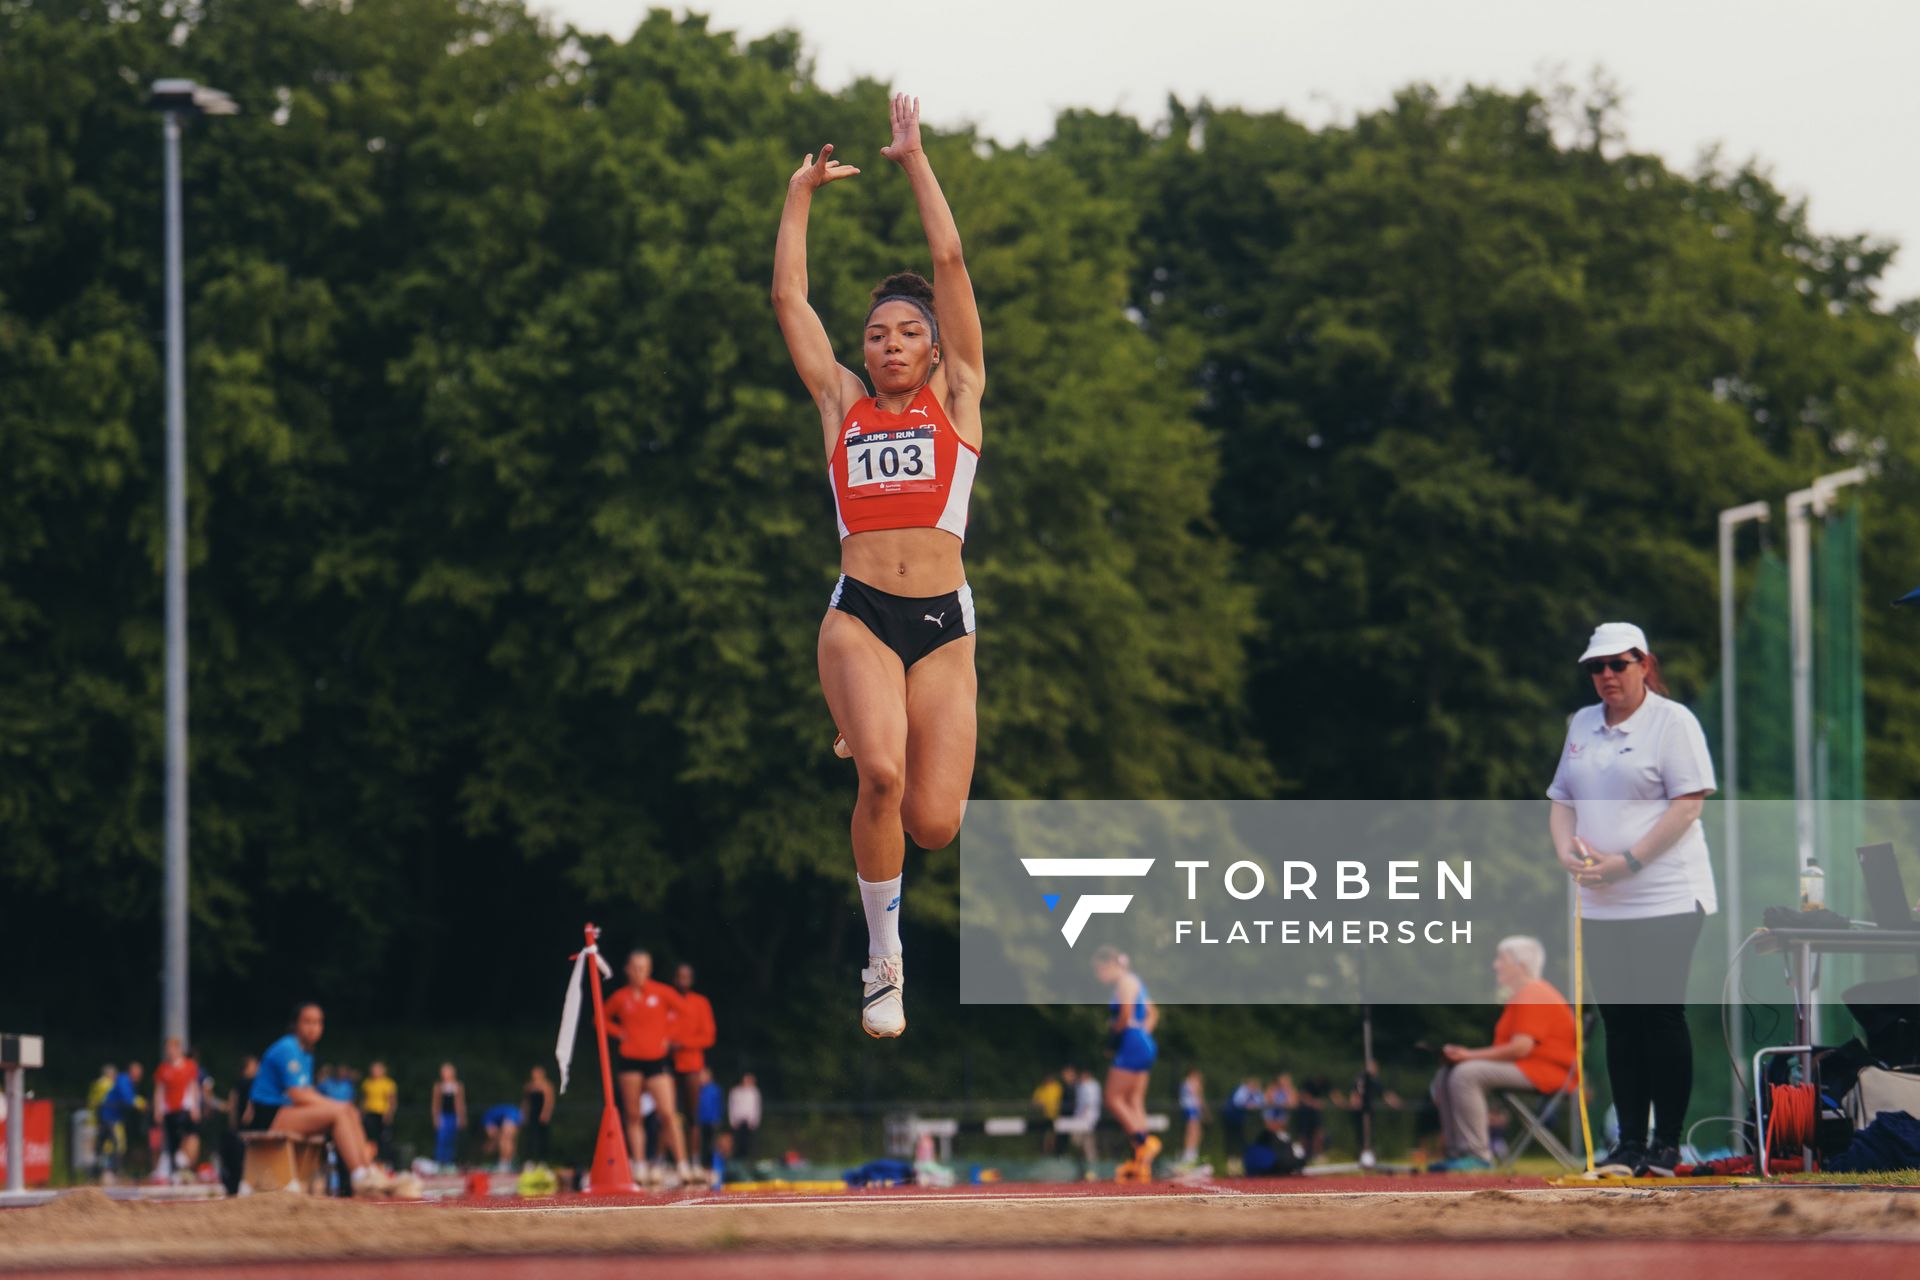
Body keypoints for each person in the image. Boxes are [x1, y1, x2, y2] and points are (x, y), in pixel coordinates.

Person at [772, 93, 987, 1038]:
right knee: (884, 784)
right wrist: (798, 196)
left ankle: (874, 728)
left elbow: (948, 263)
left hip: (943, 629)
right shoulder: (842, 408)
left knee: (937, 823)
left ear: (935, 347)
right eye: (876, 335)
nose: (889, 346)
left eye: (906, 334)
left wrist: (913, 161)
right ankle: (883, 960)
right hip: (859, 611)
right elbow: (789, 300)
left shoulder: (960, 399)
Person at [1548, 621, 1716, 1177]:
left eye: (1617, 664)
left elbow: (1688, 805)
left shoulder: (1673, 722)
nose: (1605, 676)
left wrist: (1630, 862)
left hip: (1666, 892)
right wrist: (1567, 856)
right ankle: (1630, 1146)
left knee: (1659, 1015)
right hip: (1601, 899)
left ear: (1644, 663)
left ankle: (1667, 1145)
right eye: (1596, 667)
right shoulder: (1581, 724)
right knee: (1619, 1021)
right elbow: (1562, 800)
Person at [1427, 936, 1577, 1171]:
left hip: (1547, 1073)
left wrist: (1468, 1055)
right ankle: (1457, 1153)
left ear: (1522, 966)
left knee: (1466, 1073)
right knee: (1449, 1071)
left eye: (1501, 960)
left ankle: (1477, 1155)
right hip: (1529, 1068)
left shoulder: (1533, 993)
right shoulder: (1522, 995)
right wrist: (1465, 1056)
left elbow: (1521, 1048)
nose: (1495, 965)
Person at [246, 1003, 408, 1196]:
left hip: (286, 1111)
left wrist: (342, 1106)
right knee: (339, 1112)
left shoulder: (305, 1052)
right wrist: (336, 1106)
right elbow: (298, 1094)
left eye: (318, 1022)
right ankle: (358, 1176)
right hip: (268, 1115)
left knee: (347, 1110)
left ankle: (368, 1170)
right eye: (307, 1021)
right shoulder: (287, 1048)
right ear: (295, 1024)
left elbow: (307, 1092)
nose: (313, 1027)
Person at [604, 950, 694, 1185]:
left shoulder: (662, 992)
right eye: (634, 967)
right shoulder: (621, 997)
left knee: (668, 1113)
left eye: (642, 967)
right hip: (630, 1061)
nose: (638, 972)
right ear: (627, 970)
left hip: (656, 1059)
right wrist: (619, 1033)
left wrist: (669, 1036)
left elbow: (685, 1013)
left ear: (649, 970)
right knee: (633, 1115)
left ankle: (682, 1164)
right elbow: (601, 1018)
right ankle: (640, 1164)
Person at [1093, 946, 1160, 1181]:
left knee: (1112, 1098)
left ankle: (1144, 1143)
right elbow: (1153, 1013)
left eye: (1099, 970)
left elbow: (1125, 1014)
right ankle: (1142, 1162)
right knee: (1134, 1100)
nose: (1099, 976)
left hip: (1132, 1041)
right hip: (1142, 1042)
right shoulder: (1134, 981)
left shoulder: (1124, 982)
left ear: (1109, 965)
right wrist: (1144, 1035)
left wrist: (1113, 1038)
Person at [670, 963, 717, 1163]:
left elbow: (708, 1037)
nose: (683, 980)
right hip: (667, 1064)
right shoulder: (666, 1000)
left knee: (692, 1115)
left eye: (687, 977)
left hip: (691, 1065)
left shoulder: (700, 1003)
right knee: (667, 1114)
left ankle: (694, 1159)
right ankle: (663, 1160)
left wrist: (683, 1044)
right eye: (680, 976)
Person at [152, 1037, 202, 1182]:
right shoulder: (163, 1069)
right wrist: (158, 1109)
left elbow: (193, 1086)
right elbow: (159, 1090)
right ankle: (175, 1170)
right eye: (168, 1048)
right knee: (172, 1141)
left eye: (173, 1048)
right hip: (169, 1110)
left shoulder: (189, 1066)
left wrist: (195, 1107)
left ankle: (186, 1162)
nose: (170, 1051)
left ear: (179, 1049)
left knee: (190, 1136)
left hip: (185, 1108)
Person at [219, 1055, 259, 1196]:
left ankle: (237, 1185)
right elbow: (247, 1102)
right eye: (254, 1065)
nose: (257, 1067)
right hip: (248, 1128)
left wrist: (233, 1124)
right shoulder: (252, 1083)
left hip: (239, 1129)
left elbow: (232, 1104)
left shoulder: (237, 1083)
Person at [1065, 1064, 1102, 1176]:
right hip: (1083, 1120)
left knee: (1087, 1146)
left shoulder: (1090, 1086)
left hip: (1085, 1120)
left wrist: (1084, 1117)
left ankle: (1091, 1170)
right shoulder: (1086, 1085)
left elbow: (1088, 1103)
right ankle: (1085, 1169)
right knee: (1079, 1144)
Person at [431, 1063, 466, 1169]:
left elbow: (461, 1103)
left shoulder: (458, 1085)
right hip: (443, 1115)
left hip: (453, 1115)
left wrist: (462, 1117)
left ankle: (450, 1162)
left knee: (451, 1139)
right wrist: (435, 1118)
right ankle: (439, 1162)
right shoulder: (438, 1086)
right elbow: (435, 1103)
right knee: (442, 1139)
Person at [360, 1062, 397, 1165]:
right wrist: (362, 1113)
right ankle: (371, 1159)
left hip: (382, 1114)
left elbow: (392, 1101)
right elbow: (364, 1099)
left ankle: (385, 1160)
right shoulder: (367, 1083)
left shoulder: (388, 1083)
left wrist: (389, 1114)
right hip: (370, 1113)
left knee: (384, 1139)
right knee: (370, 1139)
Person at [521, 1066, 555, 1165]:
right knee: (530, 1137)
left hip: (542, 1114)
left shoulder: (547, 1085)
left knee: (543, 1137)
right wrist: (524, 1113)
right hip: (532, 1113)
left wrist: (545, 1113)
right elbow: (526, 1101)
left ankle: (543, 1161)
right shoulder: (529, 1086)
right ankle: (529, 1160)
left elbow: (549, 1100)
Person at [728, 1072, 763, 1161]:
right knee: (738, 1142)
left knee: (749, 1143)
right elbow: (731, 1107)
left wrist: (755, 1121)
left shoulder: (755, 1092)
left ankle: (750, 1160)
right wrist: (732, 1120)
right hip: (738, 1121)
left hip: (750, 1122)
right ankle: (738, 1160)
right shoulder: (735, 1091)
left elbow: (757, 1108)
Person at [1030, 1071, 1064, 1155]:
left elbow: (1062, 1100)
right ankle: (1046, 1153)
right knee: (1046, 1136)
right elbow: (1034, 1102)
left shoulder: (1058, 1088)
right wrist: (1039, 1105)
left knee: (1055, 1136)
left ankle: (1056, 1153)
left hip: (1056, 1116)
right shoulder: (1041, 1089)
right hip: (1044, 1116)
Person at [481, 1104, 521, 1171]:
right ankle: (511, 1162)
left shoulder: (485, 1120)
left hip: (510, 1114)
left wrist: (492, 1145)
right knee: (510, 1140)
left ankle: (503, 1164)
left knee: (504, 1140)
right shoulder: (490, 1117)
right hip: (516, 1113)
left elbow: (493, 1134)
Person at [1178, 1069, 1205, 1166]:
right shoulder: (1191, 1082)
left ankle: (1191, 1154)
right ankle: (1189, 1155)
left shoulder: (1185, 1083)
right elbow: (1198, 1096)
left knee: (1195, 1131)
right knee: (1193, 1131)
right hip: (1191, 1108)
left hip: (1190, 1108)